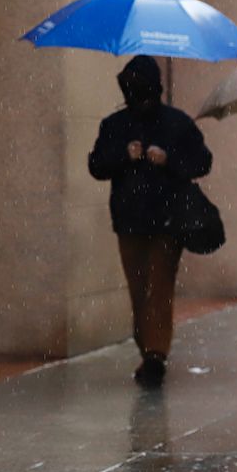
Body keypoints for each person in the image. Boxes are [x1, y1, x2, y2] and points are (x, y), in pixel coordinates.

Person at [89, 55, 212, 388]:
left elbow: (202, 162)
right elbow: (97, 165)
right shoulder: (114, 126)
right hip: (129, 220)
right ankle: (149, 350)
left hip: (168, 220)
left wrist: (168, 159)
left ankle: (155, 353)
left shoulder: (176, 123)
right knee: (139, 288)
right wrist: (123, 156)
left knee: (158, 285)